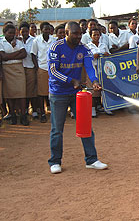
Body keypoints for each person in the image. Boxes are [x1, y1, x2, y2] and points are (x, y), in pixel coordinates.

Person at [47, 21, 107, 174]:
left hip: (76, 94)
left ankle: (91, 160)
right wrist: (71, 80)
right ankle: (55, 161)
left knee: (85, 126)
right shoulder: (56, 47)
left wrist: (94, 81)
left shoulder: (84, 48)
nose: (78, 36)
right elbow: (52, 71)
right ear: (66, 33)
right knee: (57, 129)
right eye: (75, 34)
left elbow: (89, 66)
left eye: (80, 33)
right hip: (58, 93)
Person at [0, 24, 29, 125]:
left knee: (22, 93)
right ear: (4, 33)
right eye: (9, 33)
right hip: (7, 69)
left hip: (18, 69)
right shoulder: (1, 42)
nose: (12, 35)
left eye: (13, 33)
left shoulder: (18, 42)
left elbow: (24, 54)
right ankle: (12, 115)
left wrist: (9, 56)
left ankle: (23, 116)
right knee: (9, 94)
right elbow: (2, 57)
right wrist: (17, 54)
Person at [31, 22, 55, 123]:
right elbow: (33, 54)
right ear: (41, 30)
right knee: (41, 93)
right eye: (45, 29)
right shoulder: (36, 41)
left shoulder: (53, 40)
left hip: (53, 69)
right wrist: (37, 67)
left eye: (48, 29)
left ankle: (53, 113)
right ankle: (43, 113)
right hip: (42, 68)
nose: (47, 31)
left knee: (53, 91)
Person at [85, 28, 110, 117]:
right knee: (93, 89)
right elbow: (86, 58)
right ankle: (92, 110)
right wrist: (93, 56)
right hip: (93, 68)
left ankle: (107, 107)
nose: (96, 36)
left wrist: (107, 55)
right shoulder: (88, 46)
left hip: (103, 69)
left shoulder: (103, 45)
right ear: (90, 36)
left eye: (98, 34)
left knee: (104, 88)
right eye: (94, 35)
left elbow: (109, 55)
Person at [20, 22, 39, 120]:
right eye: (22, 31)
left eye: (26, 31)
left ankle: (34, 110)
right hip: (20, 68)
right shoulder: (18, 41)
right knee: (23, 90)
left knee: (32, 90)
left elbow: (34, 55)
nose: (25, 33)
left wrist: (36, 67)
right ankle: (25, 109)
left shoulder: (34, 40)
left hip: (31, 67)